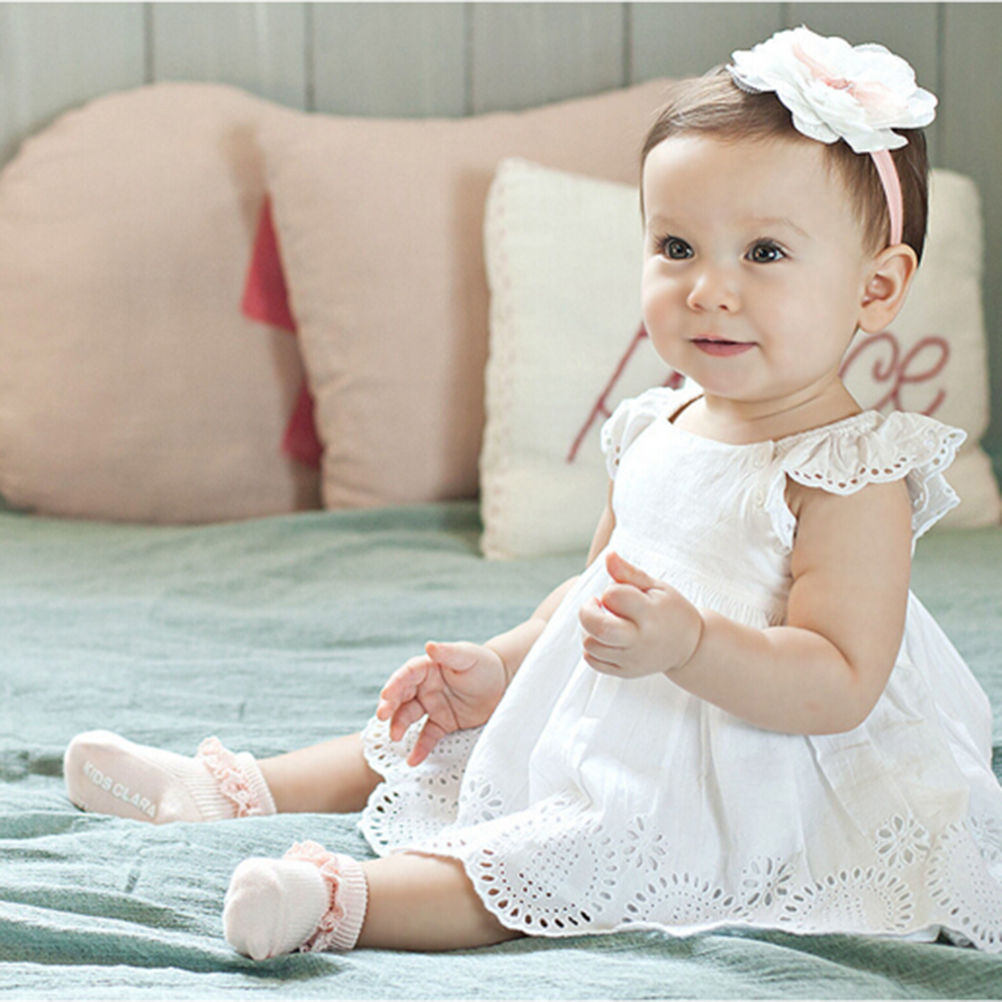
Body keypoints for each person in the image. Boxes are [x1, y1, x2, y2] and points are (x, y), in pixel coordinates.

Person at [64, 26, 1002, 958]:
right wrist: (503, 665)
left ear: (876, 289)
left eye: (764, 254)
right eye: (677, 245)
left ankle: (338, 901)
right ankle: (227, 790)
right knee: (435, 736)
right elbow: (589, 595)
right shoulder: (658, 424)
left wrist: (693, 645)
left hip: (760, 766)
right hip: (628, 702)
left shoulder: (847, 472)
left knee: (566, 853)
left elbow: (839, 682)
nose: (708, 290)